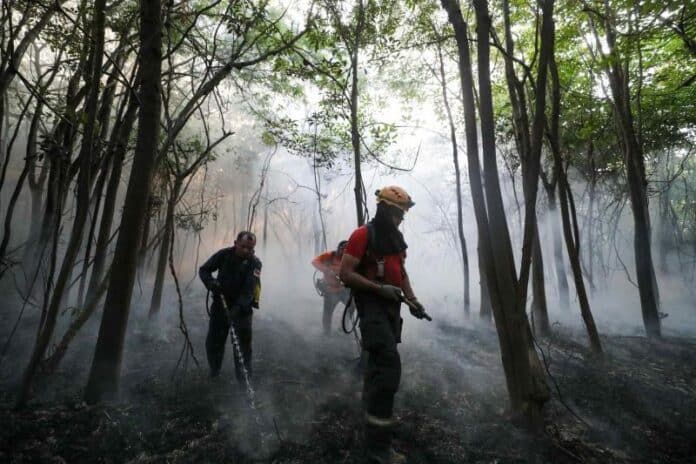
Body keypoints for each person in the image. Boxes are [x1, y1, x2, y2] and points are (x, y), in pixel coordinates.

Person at [339, 186, 428, 464]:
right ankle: (378, 448)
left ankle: (371, 421)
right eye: (400, 214)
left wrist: (413, 301)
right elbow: (345, 273)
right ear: (385, 210)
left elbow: (400, 273)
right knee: (389, 367)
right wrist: (379, 290)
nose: (402, 219)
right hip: (372, 308)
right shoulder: (362, 235)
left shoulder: (395, 240)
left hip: (390, 310)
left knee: (377, 368)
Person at [199, 231, 262, 382]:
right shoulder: (224, 255)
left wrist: (237, 309)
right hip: (220, 305)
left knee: (243, 348)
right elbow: (204, 270)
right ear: (236, 243)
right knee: (214, 343)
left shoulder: (255, 263)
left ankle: (244, 382)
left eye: (250, 248)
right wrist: (211, 283)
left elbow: (249, 290)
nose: (247, 251)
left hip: (242, 311)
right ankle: (214, 372)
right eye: (243, 247)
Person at [311, 240, 351, 334]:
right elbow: (314, 262)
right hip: (330, 290)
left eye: (347, 249)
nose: (344, 251)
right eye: (343, 248)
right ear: (339, 248)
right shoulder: (329, 256)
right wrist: (326, 270)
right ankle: (326, 333)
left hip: (344, 290)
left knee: (351, 307)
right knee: (327, 313)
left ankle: (343, 327)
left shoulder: (349, 259)